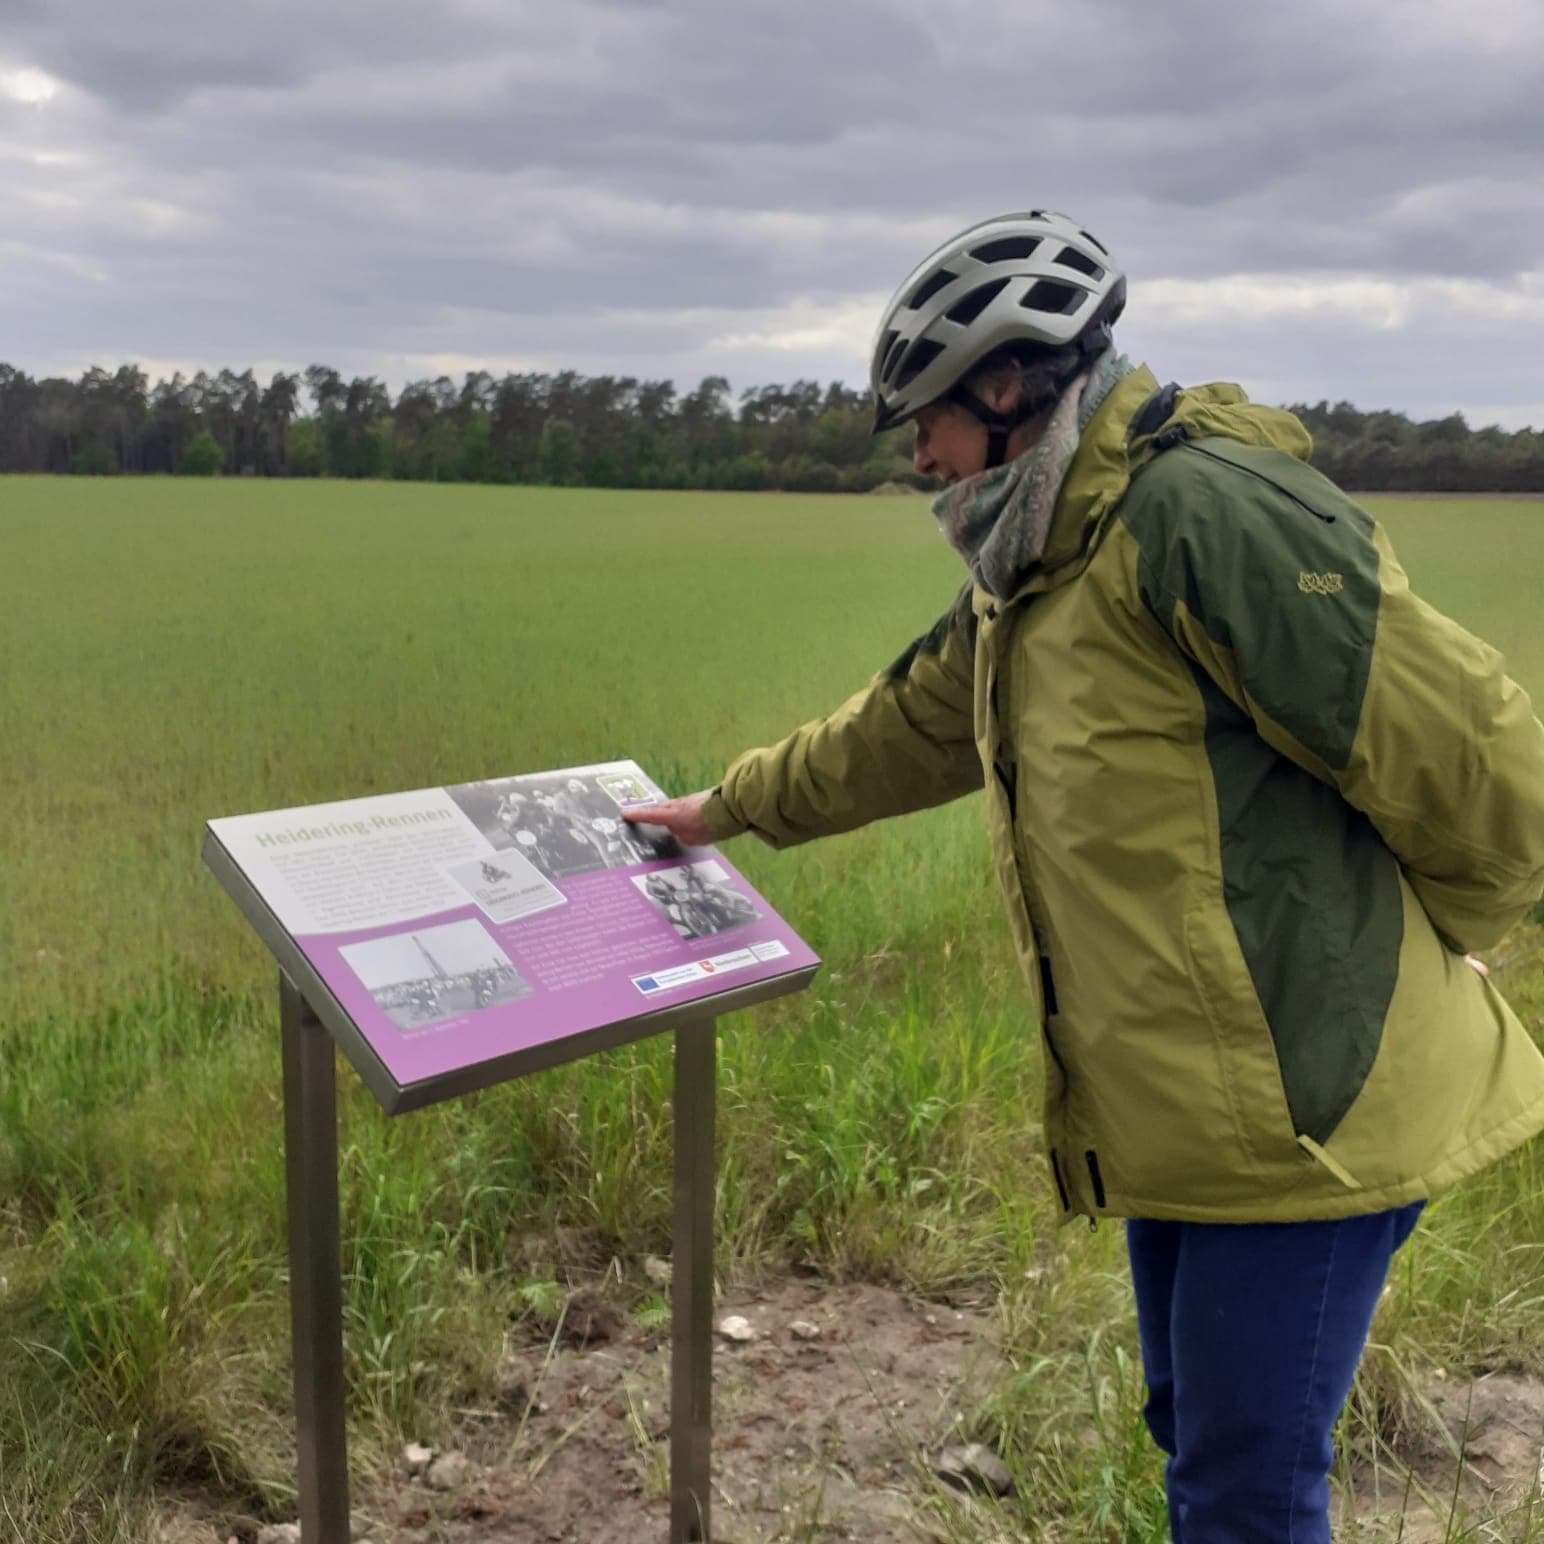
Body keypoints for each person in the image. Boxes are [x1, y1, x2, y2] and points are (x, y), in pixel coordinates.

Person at [626, 209, 1544, 1542]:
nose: (919, 456)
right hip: (1191, 1112)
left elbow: (1477, 754)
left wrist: (1467, 928)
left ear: (1009, 388)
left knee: (1246, 1494)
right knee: (1204, 1448)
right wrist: (731, 808)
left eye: (926, 420)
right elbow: (911, 724)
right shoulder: (1039, 557)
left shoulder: (1198, 515)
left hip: (1311, 1112)